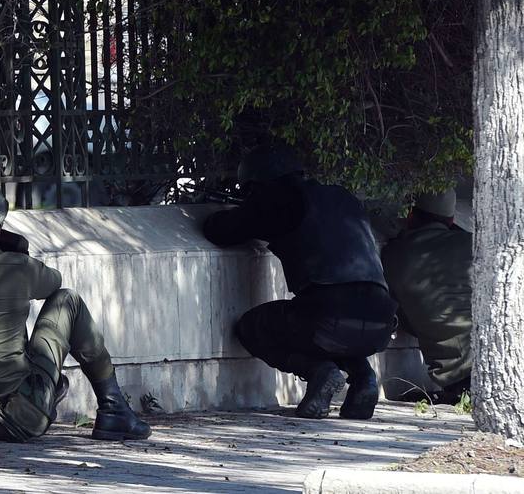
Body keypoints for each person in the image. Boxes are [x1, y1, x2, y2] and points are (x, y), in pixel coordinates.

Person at [202, 145, 397, 420]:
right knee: (334, 329)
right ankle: (363, 378)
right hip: (382, 320)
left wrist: (238, 210)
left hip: (329, 317)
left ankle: (319, 371)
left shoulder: (280, 200)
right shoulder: (342, 196)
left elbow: (220, 230)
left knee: (251, 327)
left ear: (257, 184)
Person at [0, 172, 151, 443]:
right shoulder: (16, 267)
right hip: (22, 410)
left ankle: (62, 393)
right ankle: (114, 407)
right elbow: (54, 283)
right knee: (68, 300)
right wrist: (16, 257)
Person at [380, 187, 472, 404]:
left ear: (411, 215)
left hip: (455, 378)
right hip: (489, 367)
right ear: (450, 220)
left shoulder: (395, 254)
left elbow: (408, 323)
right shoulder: (471, 245)